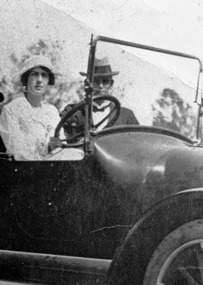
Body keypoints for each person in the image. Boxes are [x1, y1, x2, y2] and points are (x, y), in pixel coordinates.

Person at [0, 55, 84, 161]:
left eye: (44, 75)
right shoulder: (12, 110)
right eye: (34, 74)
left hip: (49, 167)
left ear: (49, 81)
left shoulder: (51, 111)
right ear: (26, 79)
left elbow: (60, 145)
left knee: (76, 154)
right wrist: (46, 150)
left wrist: (55, 146)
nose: (39, 80)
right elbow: (16, 151)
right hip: (24, 169)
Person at [60, 57, 139, 141]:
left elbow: (137, 144)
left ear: (111, 84)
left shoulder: (126, 116)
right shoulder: (72, 111)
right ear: (88, 84)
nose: (101, 86)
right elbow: (59, 139)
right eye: (96, 81)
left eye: (105, 81)